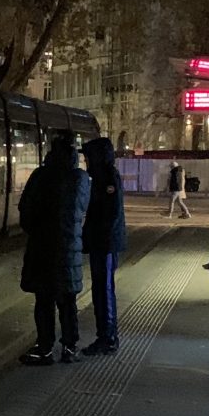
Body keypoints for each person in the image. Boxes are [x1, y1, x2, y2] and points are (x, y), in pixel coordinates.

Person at [17, 131, 92, 366]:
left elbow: (25, 211)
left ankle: (45, 349)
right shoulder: (80, 178)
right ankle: (70, 348)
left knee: (44, 301)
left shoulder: (40, 176)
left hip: (42, 249)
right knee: (68, 302)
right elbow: (83, 209)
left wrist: (38, 232)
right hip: (70, 249)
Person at [81, 137, 127, 354]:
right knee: (101, 289)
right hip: (102, 243)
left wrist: (97, 236)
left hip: (105, 244)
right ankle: (105, 335)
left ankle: (108, 338)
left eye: (88, 157)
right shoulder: (102, 176)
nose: (86, 162)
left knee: (104, 289)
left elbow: (111, 213)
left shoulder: (107, 177)